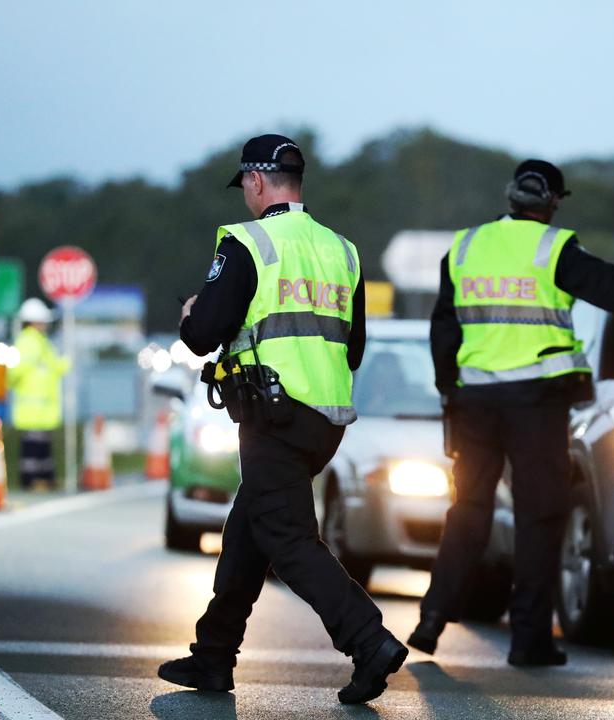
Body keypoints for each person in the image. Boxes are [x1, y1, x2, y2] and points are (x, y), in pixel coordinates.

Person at [409, 159, 614, 666]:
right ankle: (529, 639)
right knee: (540, 516)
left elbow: (443, 328)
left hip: (476, 403)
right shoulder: (554, 248)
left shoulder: (466, 246)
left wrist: (450, 393)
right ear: (554, 202)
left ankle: (432, 618)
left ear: (511, 197)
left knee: (468, 510)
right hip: (535, 402)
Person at [159, 134, 407, 704]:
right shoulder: (341, 249)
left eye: (245, 184)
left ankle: (369, 640)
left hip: (271, 413)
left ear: (255, 181)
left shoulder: (248, 243)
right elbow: (355, 345)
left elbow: (201, 336)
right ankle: (213, 657)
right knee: (249, 530)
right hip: (325, 420)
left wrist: (192, 312)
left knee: (288, 537)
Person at [7, 298, 69, 490]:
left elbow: (54, 367)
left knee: (42, 446)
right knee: (33, 447)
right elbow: (14, 371)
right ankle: (31, 480)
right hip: (32, 408)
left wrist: (68, 360)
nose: (45, 325)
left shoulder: (41, 343)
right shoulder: (28, 342)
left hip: (42, 408)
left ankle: (44, 478)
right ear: (33, 322)